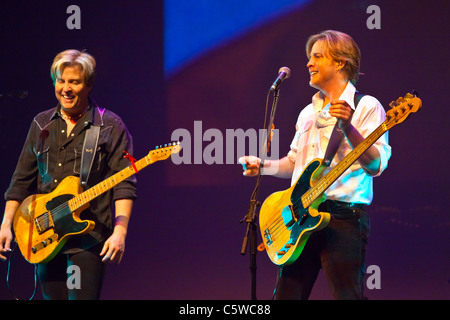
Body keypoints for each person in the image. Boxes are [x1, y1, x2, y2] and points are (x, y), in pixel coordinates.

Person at [239, 30, 391, 300]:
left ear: (340, 62)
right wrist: (262, 166)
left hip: (343, 218)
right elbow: (295, 164)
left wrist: (348, 128)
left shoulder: (366, 106)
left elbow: (376, 164)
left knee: (348, 297)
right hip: (300, 217)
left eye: (317, 57)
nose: (309, 63)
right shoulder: (307, 113)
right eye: (310, 57)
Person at [0, 49, 137, 300]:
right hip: (46, 236)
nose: (66, 88)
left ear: (88, 85)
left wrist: (120, 231)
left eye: (74, 82)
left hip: (88, 238)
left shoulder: (110, 126)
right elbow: (21, 179)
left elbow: (124, 184)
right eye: (61, 81)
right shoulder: (41, 124)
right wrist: (6, 222)